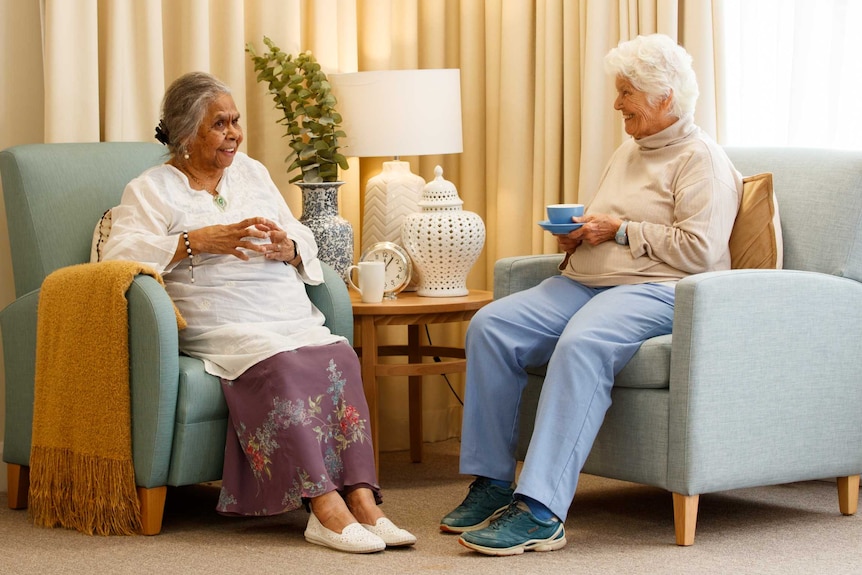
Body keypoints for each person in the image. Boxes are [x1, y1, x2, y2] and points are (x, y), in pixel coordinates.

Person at [440, 34, 742, 556]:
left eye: (627, 92)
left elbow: (699, 249)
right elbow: (610, 220)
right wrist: (581, 233)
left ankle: (541, 511)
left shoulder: (702, 159)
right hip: (584, 281)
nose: (618, 103)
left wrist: (621, 230)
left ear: (663, 96)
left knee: (581, 344)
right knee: (492, 325)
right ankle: (492, 482)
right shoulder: (630, 150)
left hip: (659, 289)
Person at [102, 71, 415, 554]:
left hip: (280, 307)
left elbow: (302, 234)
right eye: (219, 124)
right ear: (186, 132)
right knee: (283, 361)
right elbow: (117, 260)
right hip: (220, 317)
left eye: (235, 121)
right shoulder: (151, 189)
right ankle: (323, 508)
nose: (234, 133)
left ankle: (362, 499)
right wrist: (195, 240)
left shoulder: (251, 172)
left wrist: (287, 245)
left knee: (337, 353)